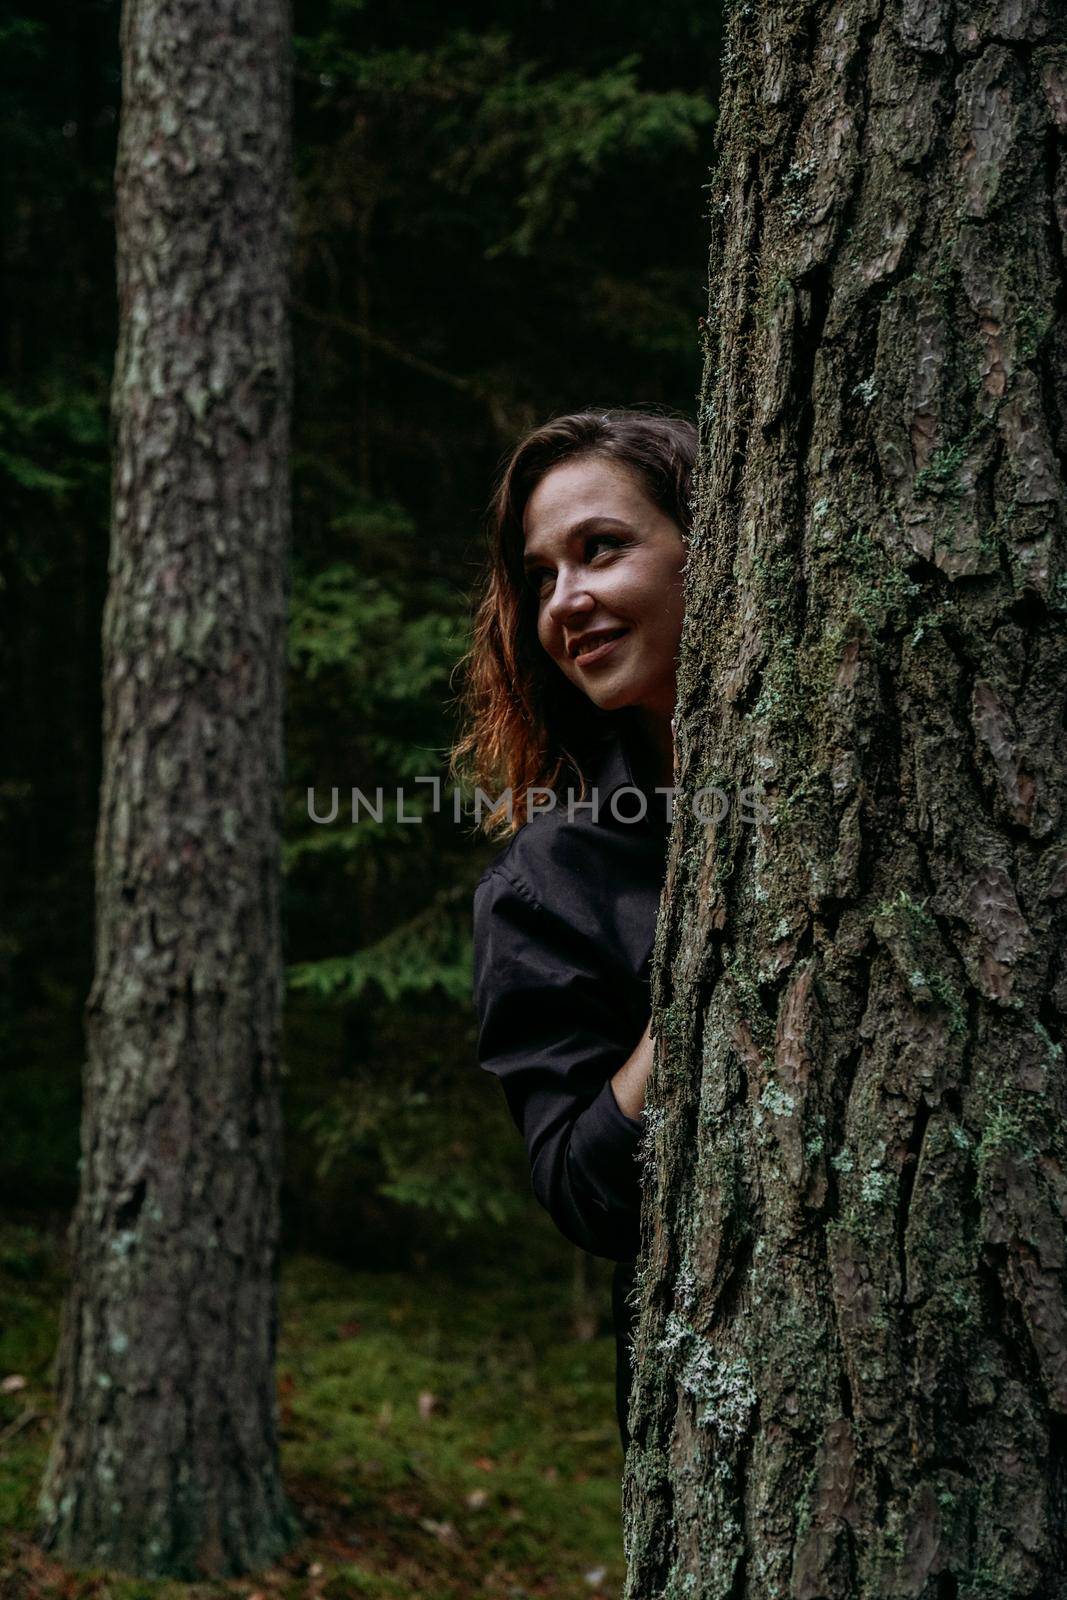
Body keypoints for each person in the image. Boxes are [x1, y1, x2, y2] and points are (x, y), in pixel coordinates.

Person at [452, 408, 694, 1450]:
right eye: (541, 574)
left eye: (600, 549)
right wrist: (703, 982)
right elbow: (580, 1190)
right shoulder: (548, 881)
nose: (568, 602)